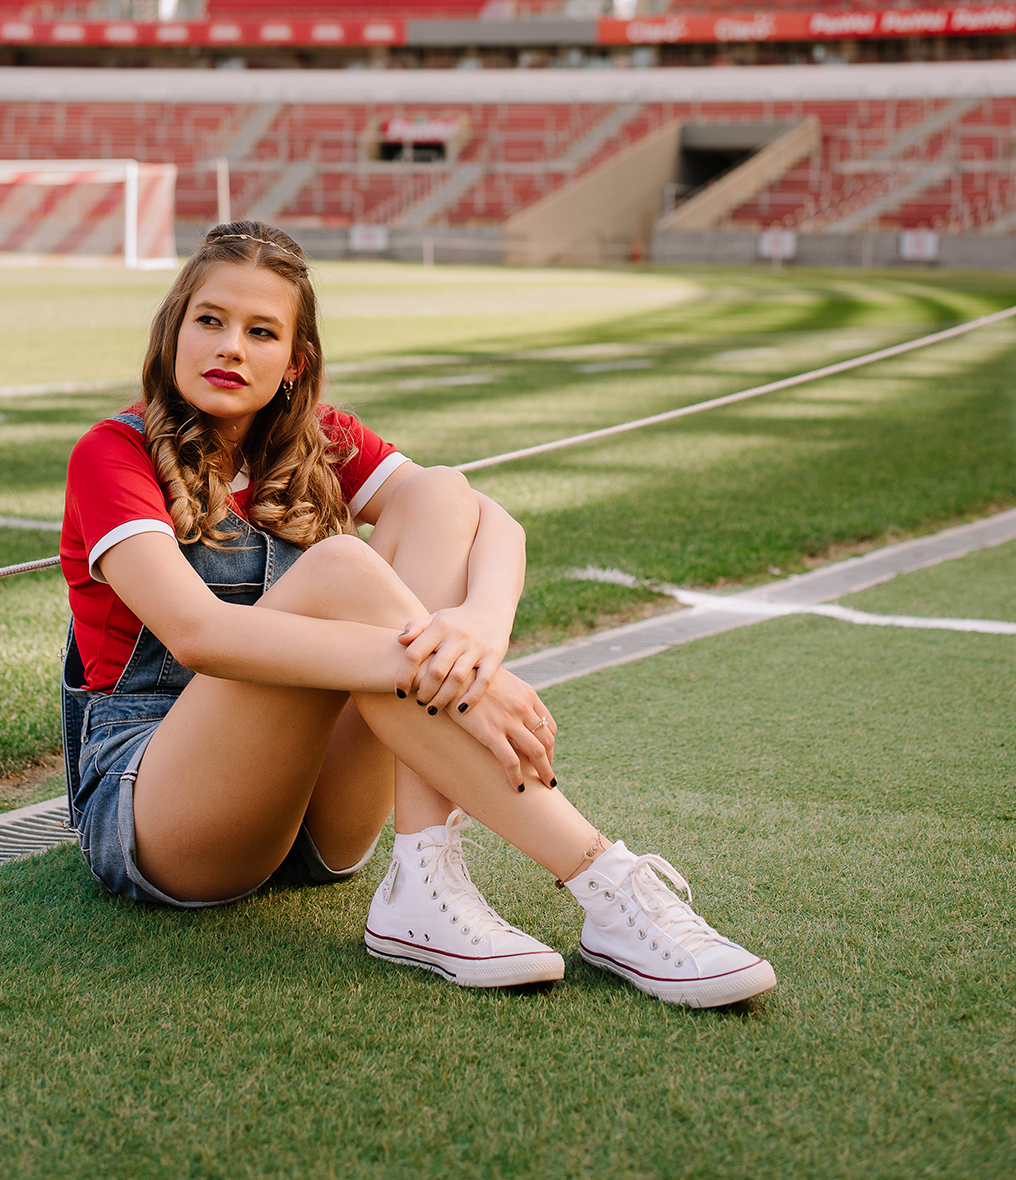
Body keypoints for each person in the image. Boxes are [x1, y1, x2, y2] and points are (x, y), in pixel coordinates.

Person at [59, 221, 775, 1007]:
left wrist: (478, 638)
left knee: (437, 491)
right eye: (211, 321)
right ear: (173, 334)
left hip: (316, 819)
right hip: (162, 811)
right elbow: (202, 635)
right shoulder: (112, 453)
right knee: (340, 568)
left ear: (293, 363)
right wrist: (455, 678)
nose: (231, 347)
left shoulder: (316, 438)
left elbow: (490, 521)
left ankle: (423, 874)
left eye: (261, 332)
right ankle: (603, 880)